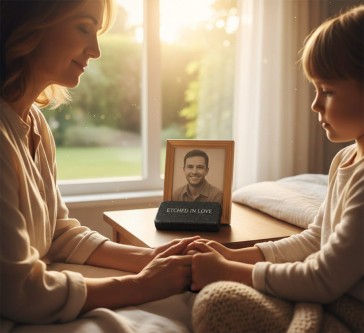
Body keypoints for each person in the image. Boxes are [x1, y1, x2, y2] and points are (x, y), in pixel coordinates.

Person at [0, 0, 198, 325]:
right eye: (84, 28)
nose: (95, 50)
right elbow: (18, 290)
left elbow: (59, 235)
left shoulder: (34, 123)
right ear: (32, 22)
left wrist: (151, 259)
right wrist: (142, 285)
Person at [186, 5, 364, 332]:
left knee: (217, 303)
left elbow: (323, 278)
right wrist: (235, 257)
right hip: (334, 294)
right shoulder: (345, 159)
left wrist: (227, 271)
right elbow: (315, 240)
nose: (314, 104)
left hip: (353, 309)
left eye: (327, 91)